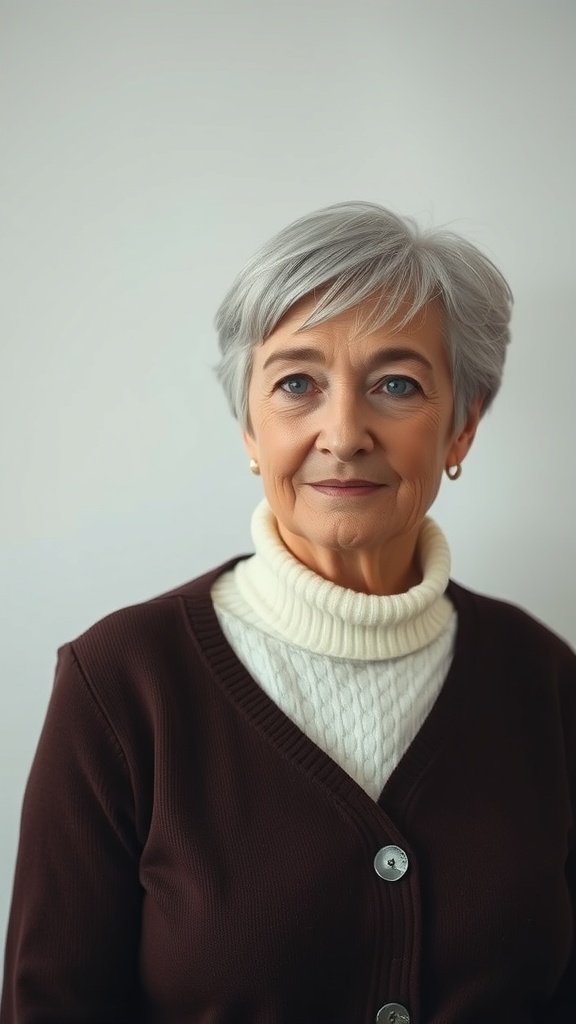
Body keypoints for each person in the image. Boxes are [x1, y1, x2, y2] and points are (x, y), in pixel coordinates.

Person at [1, 201, 574, 1024]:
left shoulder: (545, 680)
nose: (343, 432)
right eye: (297, 384)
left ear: (461, 429)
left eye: (397, 385)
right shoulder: (121, 682)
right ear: (249, 428)